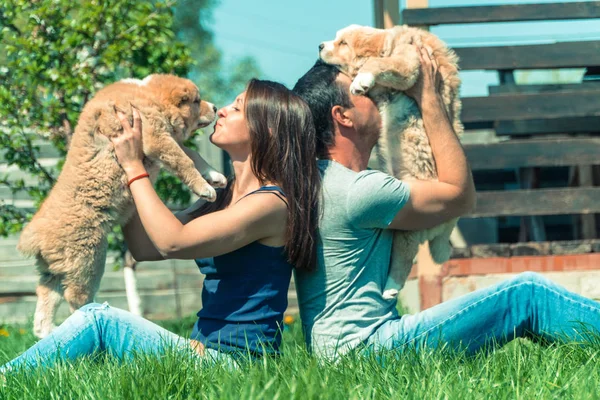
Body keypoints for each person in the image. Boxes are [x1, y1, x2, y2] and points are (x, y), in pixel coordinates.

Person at [292, 44, 600, 359]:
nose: (378, 95)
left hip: (346, 352)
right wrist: (429, 96)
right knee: (527, 295)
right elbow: (459, 195)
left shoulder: (319, 180)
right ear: (343, 116)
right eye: (365, 94)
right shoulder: (358, 190)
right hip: (369, 349)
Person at [0, 79, 320, 374]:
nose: (222, 109)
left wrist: (133, 165)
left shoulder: (273, 203)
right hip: (202, 351)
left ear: (267, 128)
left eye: (237, 107)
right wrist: (138, 162)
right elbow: (145, 247)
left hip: (238, 364)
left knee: (98, 320)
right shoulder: (222, 196)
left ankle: (7, 381)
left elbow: (173, 242)